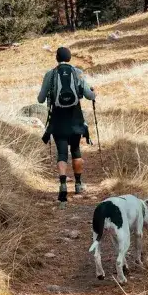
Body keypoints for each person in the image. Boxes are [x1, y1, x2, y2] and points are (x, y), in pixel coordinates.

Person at [38, 46, 96, 204]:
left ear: (57, 58)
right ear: (69, 58)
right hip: (75, 119)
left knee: (62, 153)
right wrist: (93, 92)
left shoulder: (50, 74)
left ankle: (63, 184)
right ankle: (78, 184)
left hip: (57, 120)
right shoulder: (77, 72)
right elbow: (89, 95)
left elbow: (40, 99)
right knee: (76, 151)